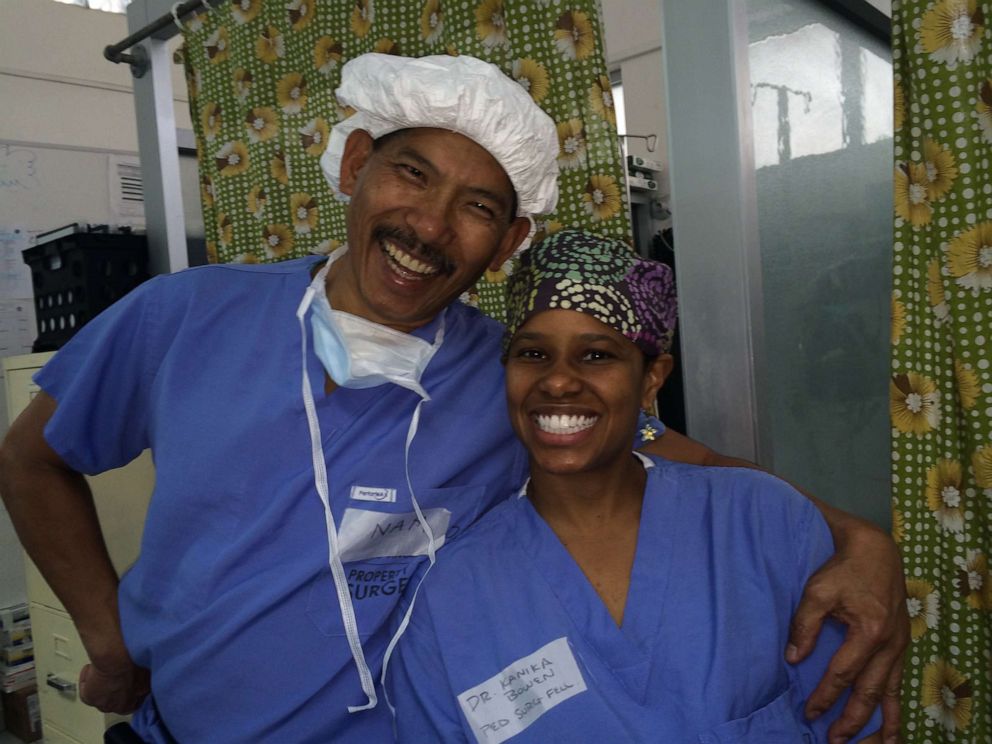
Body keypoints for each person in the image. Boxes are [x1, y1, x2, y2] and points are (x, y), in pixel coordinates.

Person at [0, 54, 904, 743]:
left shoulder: (506, 378)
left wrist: (860, 541)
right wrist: (106, 635)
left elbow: (674, 463)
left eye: (477, 207)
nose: (430, 226)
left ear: (507, 241)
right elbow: (30, 458)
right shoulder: (183, 318)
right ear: (356, 164)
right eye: (413, 174)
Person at [388, 230, 883, 743]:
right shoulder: (453, 596)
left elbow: (850, 725)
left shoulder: (761, 522)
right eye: (533, 355)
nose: (557, 382)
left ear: (652, 378)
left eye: (597, 355)